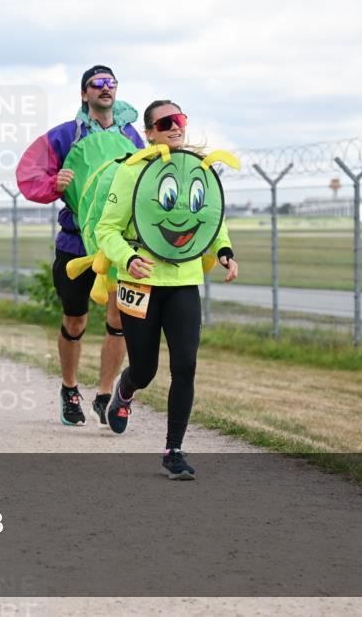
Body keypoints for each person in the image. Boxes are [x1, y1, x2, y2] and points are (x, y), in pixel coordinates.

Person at [95, 100, 239, 479]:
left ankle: (173, 450)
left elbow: (209, 219)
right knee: (145, 370)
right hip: (139, 281)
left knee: (186, 366)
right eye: (166, 122)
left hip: (184, 282)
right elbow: (106, 229)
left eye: (181, 120)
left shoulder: (197, 170)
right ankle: (125, 388)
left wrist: (223, 250)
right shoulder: (133, 173)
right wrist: (127, 259)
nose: (176, 127)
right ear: (149, 133)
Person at [16, 64, 145, 426]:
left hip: (118, 244)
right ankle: (69, 389)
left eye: (111, 83)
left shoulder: (132, 136)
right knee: (75, 320)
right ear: (84, 93)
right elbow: (28, 174)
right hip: (75, 244)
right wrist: (55, 183)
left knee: (118, 319)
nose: (106, 89)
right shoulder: (64, 135)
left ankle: (106, 395)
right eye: (97, 84)